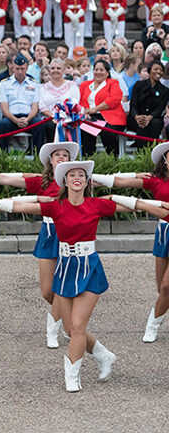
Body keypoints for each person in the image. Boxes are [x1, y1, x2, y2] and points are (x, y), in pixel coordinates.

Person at [0, 161, 121, 392]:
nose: (77, 178)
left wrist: (158, 205)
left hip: (90, 269)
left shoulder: (97, 204)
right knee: (70, 329)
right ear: (65, 181)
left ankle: (72, 376)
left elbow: (135, 206)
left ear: (88, 181)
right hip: (65, 269)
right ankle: (102, 354)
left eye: (81, 174)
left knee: (78, 326)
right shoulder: (55, 206)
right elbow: (19, 206)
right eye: (72, 174)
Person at [0, 141, 79, 348]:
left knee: (63, 288)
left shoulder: (77, 181)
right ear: (50, 160)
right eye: (56, 155)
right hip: (49, 234)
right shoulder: (41, 182)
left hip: (70, 234)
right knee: (47, 291)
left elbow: (108, 184)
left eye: (65, 155)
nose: (61, 158)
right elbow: (5, 179)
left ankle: (53, 331)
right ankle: (70, 318)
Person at [97, 143, 169, 342]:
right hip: (163, 232)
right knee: (161, 288)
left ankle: (152, 325)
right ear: (165, 160)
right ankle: (158, 318)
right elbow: (120, 182)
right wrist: (88, 177)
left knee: (166, 287)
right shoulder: (155, 180)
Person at [0, 53, 43, 151]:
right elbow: (4, 108)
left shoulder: (34, 83)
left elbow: (35, 107)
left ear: (27, 68)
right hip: (11, 118)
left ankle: (37, 157)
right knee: (1, 124)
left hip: (29, 117)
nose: (20, 72)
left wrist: (27, 119)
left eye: (22, 69)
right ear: (12, 68)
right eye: (17, 69)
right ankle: (2, 157)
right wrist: (16, 120)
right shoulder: (4, 83)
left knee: (39, 124)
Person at [78, 60, 126, 155]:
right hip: (91, 117)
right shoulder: (85, 84)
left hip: (111, 118)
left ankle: (113, 160)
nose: (98, 72)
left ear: (107, 73)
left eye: (101, 70)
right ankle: (88, 159)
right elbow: (81, 102)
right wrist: (86, 112)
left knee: (107, 132)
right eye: (96, 70)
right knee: (85, 130)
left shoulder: (113, 83)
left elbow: (114, 99)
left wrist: (95, 109)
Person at [37, 59, 79, 143]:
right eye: (53, 68)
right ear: (49, 71)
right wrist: (54, 116)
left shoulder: (72, 85)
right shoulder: (42, 88)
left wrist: (64, 117)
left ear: (63, 70)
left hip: (69, 119)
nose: (55, 70)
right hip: (49, 119)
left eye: (58, 68)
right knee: (50, 126)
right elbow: (41, 106)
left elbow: (75, 103)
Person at [128, 61, 169, 147]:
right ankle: (140, 153)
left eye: (161, 70)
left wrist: (149, 118)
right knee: (141, 125)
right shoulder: (138, 85)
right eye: (156, 69)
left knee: (155, 124)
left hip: (154, 118)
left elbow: (160, 108)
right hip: (136, 117)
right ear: (149, 71)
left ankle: (151, 152)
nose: (158, 72)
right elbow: (133, 104)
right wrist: (137, 117)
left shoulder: (164, 90)